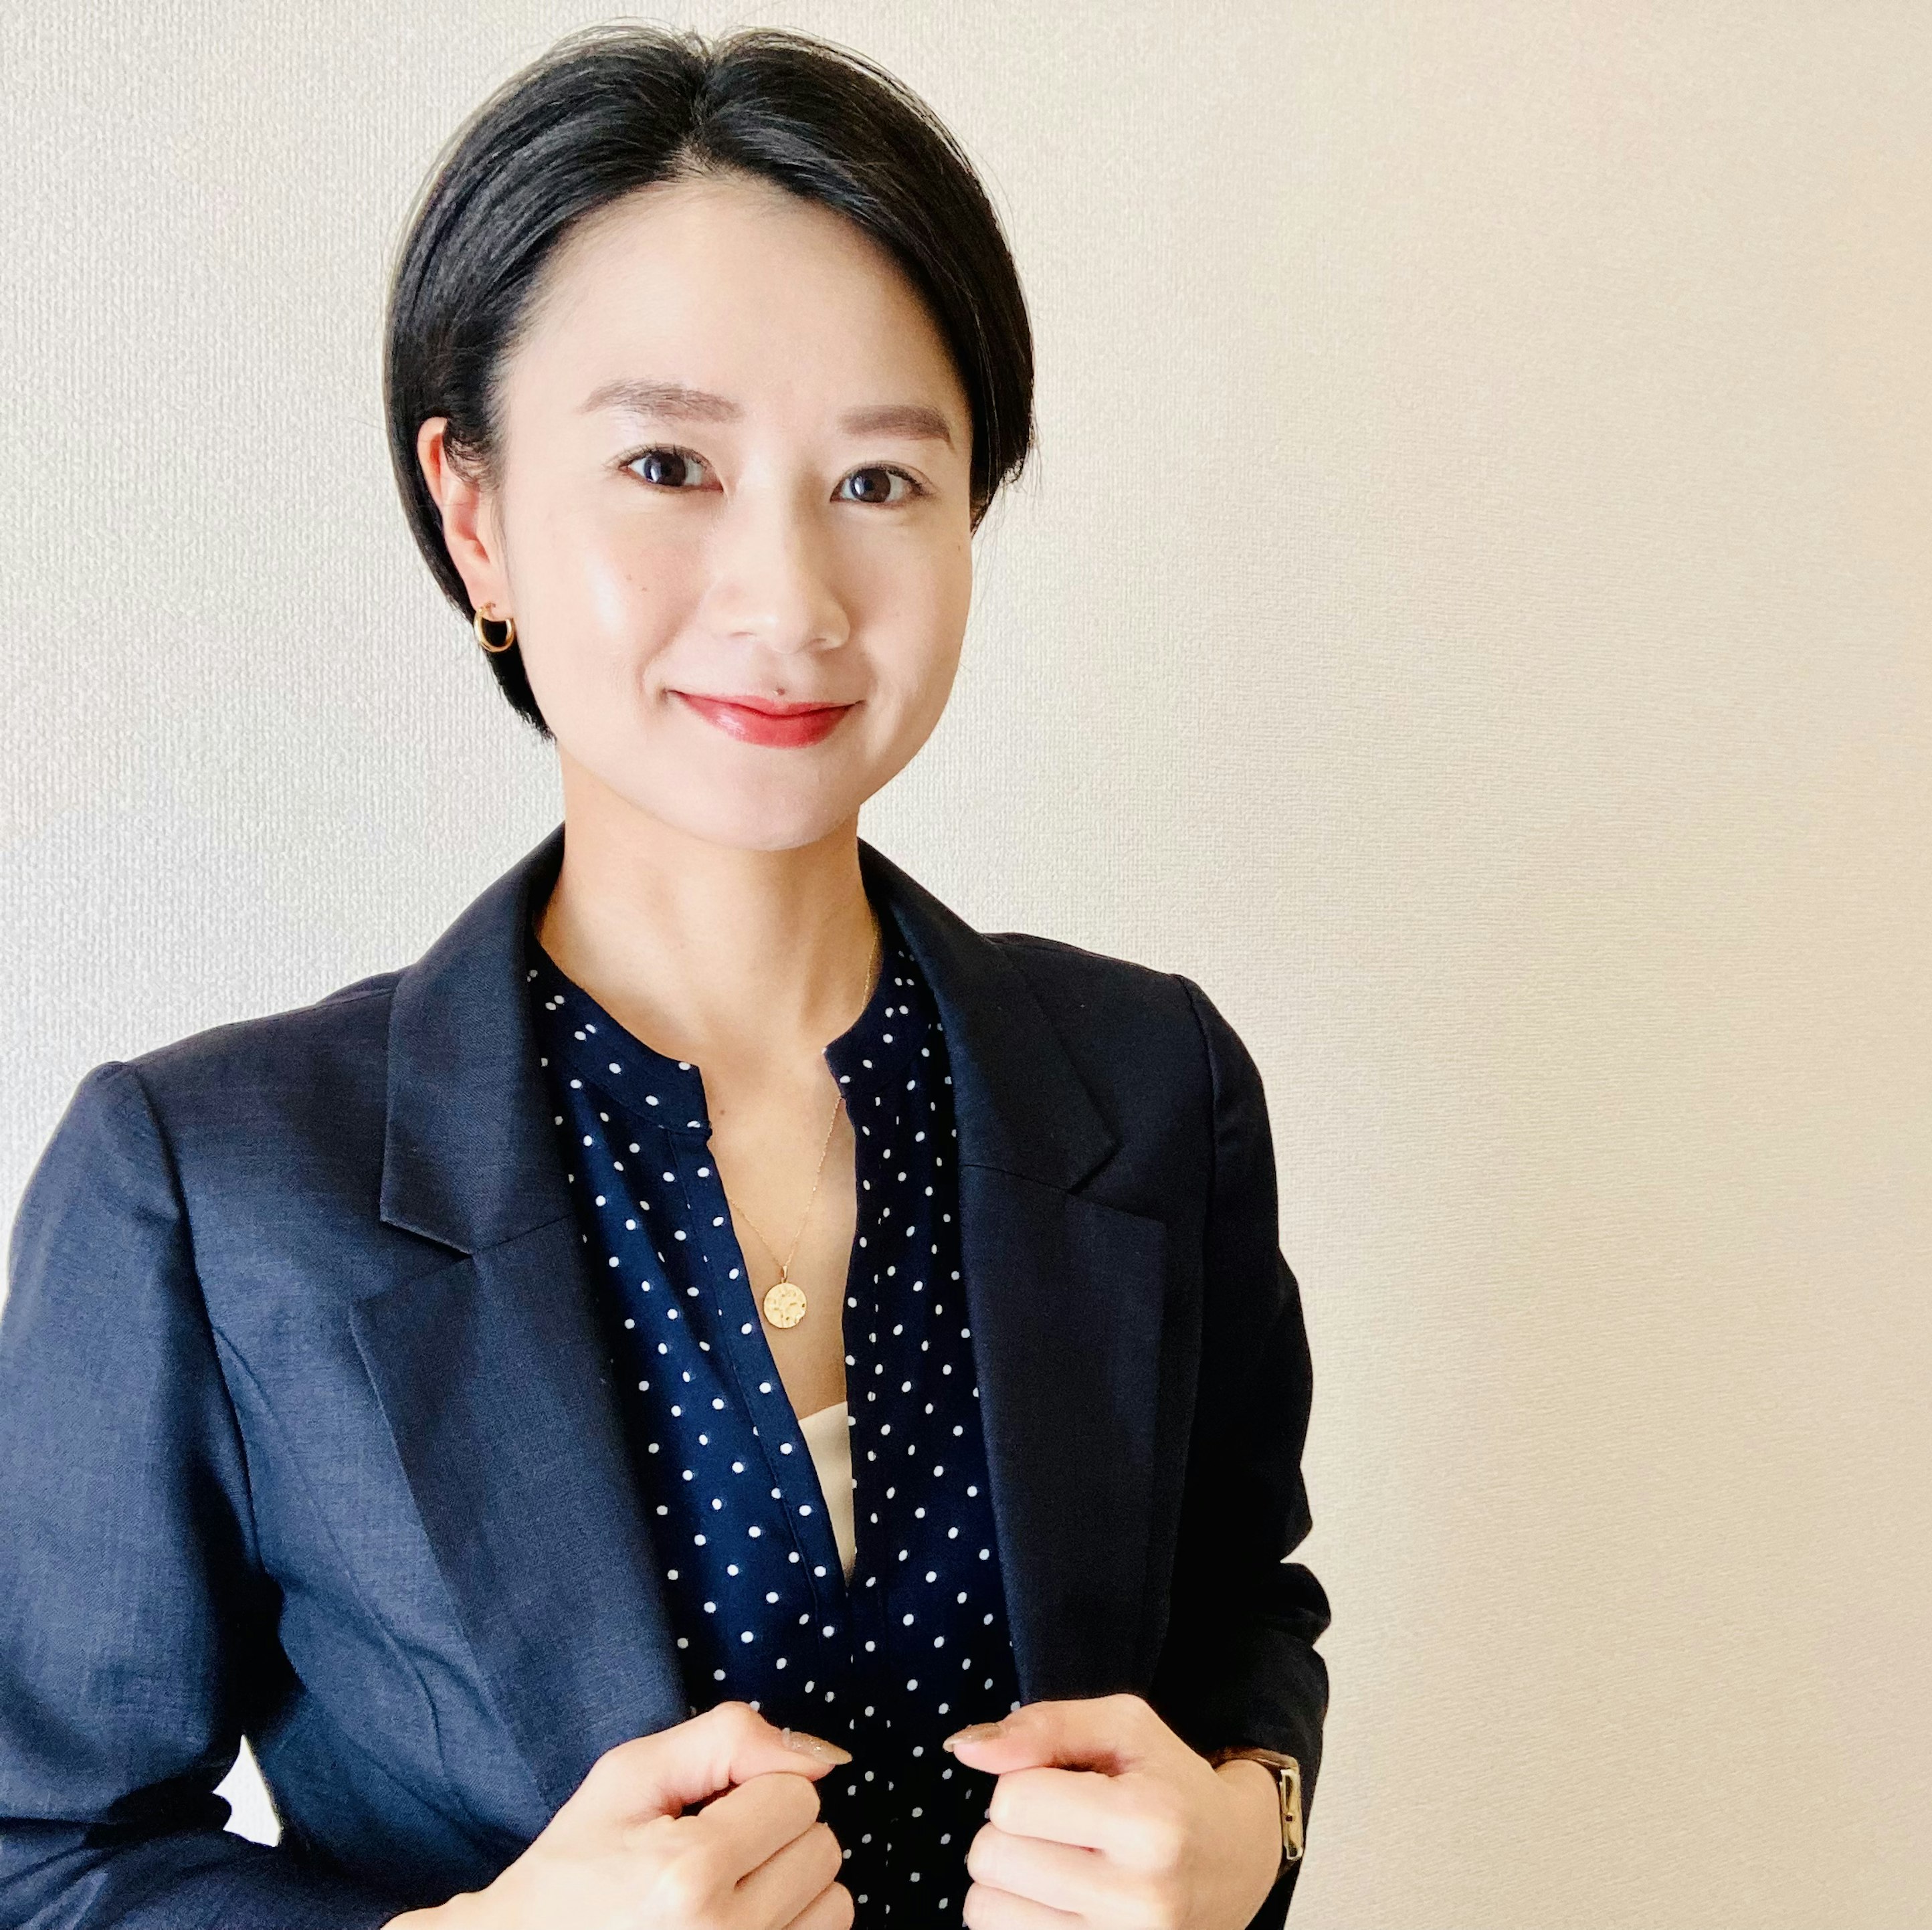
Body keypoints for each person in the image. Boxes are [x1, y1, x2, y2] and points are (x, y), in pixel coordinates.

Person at [0, 24, 1326, 1930]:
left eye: (881, 481)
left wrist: (1253, 1823)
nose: (786, 597)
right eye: (666, 464)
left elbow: (1242, 1612)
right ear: (476, 514)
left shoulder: (1150, 1080)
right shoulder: (204, 1179)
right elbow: (45, 1856)